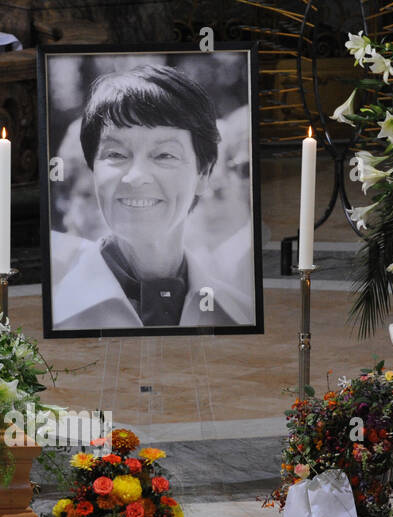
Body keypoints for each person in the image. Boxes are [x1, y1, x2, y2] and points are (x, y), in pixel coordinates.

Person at [50, 64, 255, 332]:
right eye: (116, 154)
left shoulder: (238, 314)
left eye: (164, 155)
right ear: (93, 170)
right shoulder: (54, 311)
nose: (136, 177)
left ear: (203, 174)